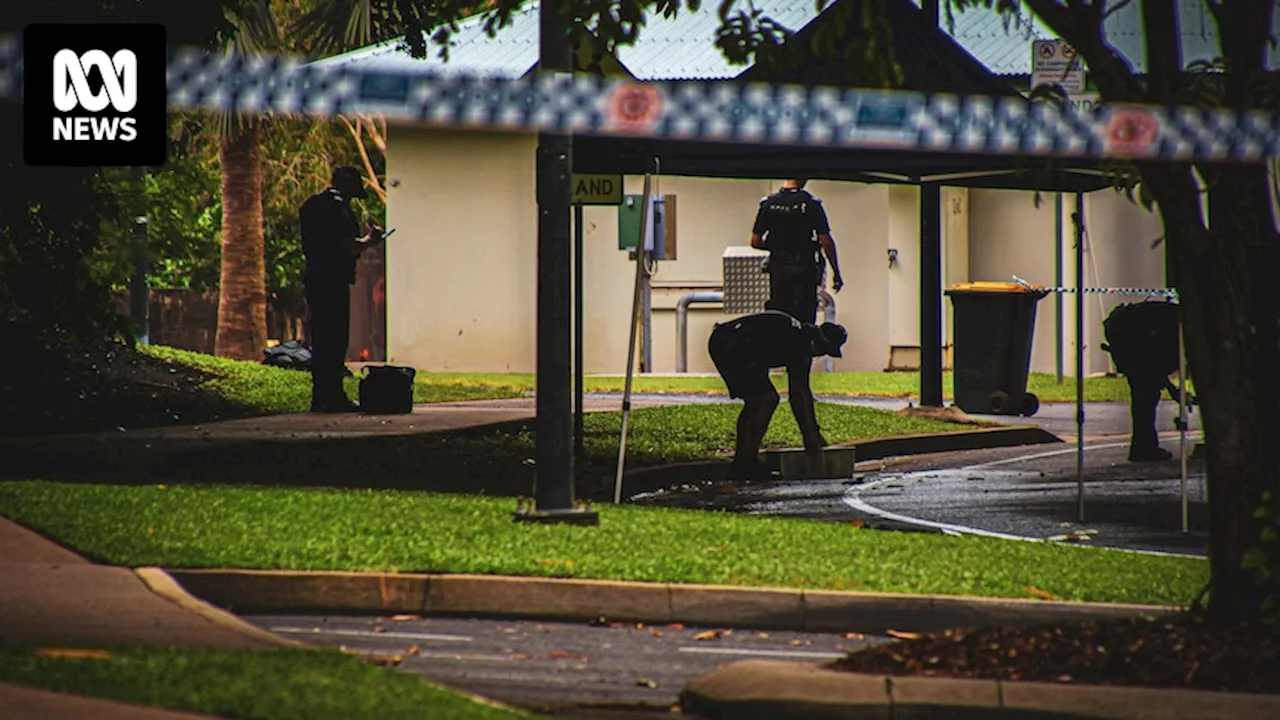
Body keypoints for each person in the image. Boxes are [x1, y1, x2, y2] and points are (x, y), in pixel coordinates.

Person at [707, 309, 849, 481]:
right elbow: (797, 395)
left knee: (756, 402)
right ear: (820, 344)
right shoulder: (800, 343)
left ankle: (742, 462)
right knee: (766, 399)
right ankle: (747, 461)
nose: (818, 356)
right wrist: (809, 436)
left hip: (733, 344)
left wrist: (813, 431)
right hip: (731, 344)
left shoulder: (802, 337)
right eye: (823, 352)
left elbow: (803, 392)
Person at [299, 166, 387, 413]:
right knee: (336, 339)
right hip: (333, 279)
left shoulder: (311, 205)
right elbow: (347, 247)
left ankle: (321, 396)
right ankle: (334, 396)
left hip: (315, 277)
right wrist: (370, 242)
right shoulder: (338, 209)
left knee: (321, 337)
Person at [1101, 299, 1190, 462]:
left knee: (1144, 397)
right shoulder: (1177, 329)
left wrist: (1174, 390)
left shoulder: (1175, 324)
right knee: (1146, 397)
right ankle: (1144, 449)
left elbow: (1154, 366)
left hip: (1127, 333)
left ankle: (1143, 446)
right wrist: (1174, 390)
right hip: (1130, 335)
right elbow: (1152, 365)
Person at [750, 178, 843, 324]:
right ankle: (804, 345)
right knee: (805, 317)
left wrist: (777, 246)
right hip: (804, 268)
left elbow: (755, 242)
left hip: (779, 269)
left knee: (780, 318)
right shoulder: (811, 204)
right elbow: (826, 241)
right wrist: (836, 273)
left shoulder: (768, 204)